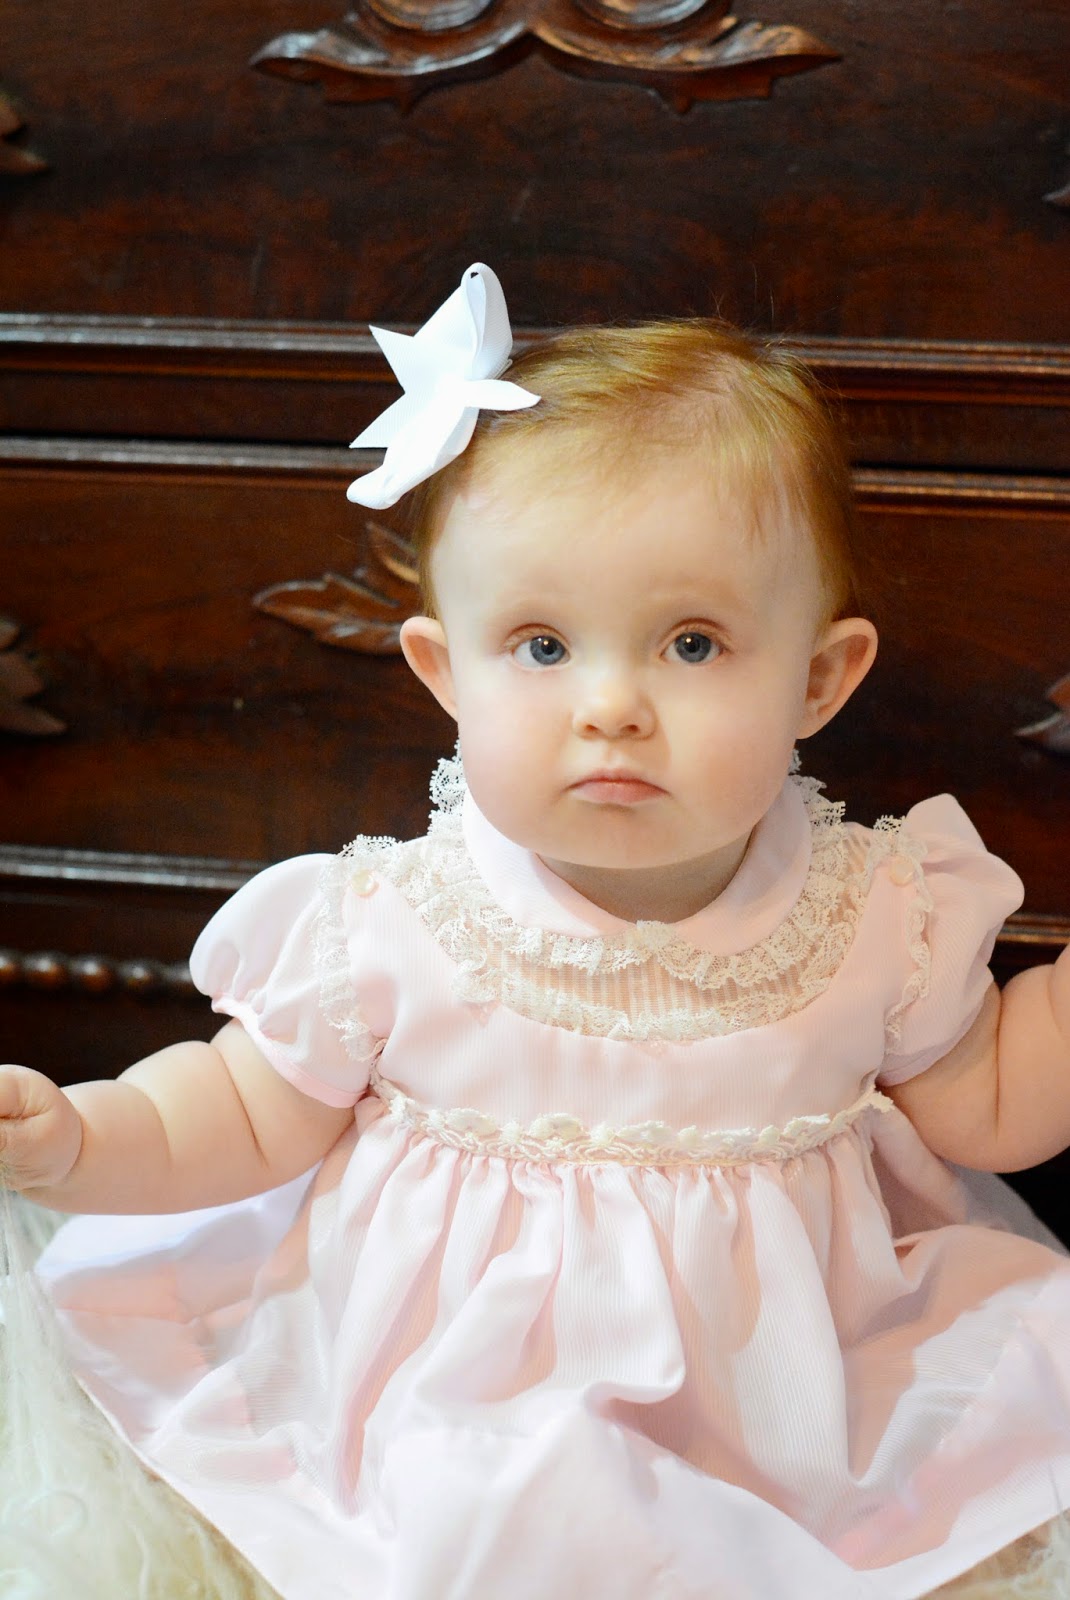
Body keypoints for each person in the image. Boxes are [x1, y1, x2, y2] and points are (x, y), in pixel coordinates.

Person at [1, 263, 1069, 1600]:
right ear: (444, 672)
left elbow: (990, 1103)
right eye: (543, 648)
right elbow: (244, 1108)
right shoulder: (393, 920)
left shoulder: (877, 912)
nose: (610, 706)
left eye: (691, 644)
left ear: (817, 678)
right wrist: (87, 1138)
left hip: (784, 1400)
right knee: (493, 1509)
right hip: (450, 1383)